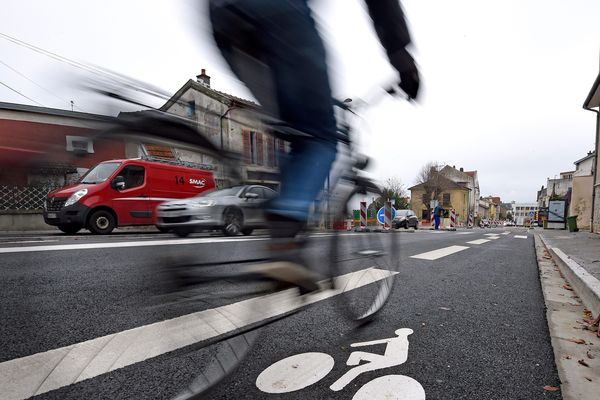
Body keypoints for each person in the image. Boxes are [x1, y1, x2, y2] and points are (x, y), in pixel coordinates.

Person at [209, 0, 420, 292]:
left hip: (221, 17)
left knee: (294, 130)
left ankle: (281, 230)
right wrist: (400, 54)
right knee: (321, 139)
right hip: (280, 13)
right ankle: (284, 242)